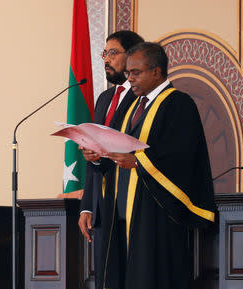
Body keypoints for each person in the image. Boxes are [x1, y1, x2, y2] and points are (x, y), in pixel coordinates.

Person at [102, 42, 215, 289]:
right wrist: (98, 153)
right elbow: (115, 143)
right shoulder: (131, 105)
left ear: (156, 72)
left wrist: (139, 161)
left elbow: (181, 156)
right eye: (128, 73)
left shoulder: (178, 104)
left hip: (155, 215)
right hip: (120, 214)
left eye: (136, 72)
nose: (129, 78)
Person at [77, 31, 144, 289]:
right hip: (101, 206)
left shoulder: (141, 97)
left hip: (128, 201)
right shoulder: (105, 98)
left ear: (132, 56)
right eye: (105, 53)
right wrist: (86, 206)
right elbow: (95, 154)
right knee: (105, 279)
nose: (107, 59)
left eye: (113, 53)